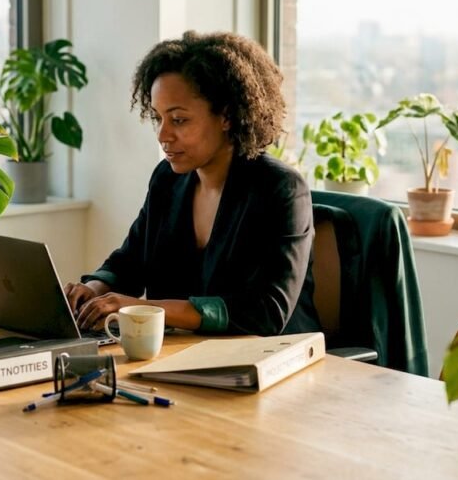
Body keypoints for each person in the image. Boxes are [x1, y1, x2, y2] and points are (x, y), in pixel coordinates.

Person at [65, 31, 320, 336]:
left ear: (226, 116)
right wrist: (93, 290)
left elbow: (265, 312)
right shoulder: (168, 179)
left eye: (179, 120)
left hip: (268, 363)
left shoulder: (280, 189)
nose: (163, 135)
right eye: (158, 118)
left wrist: (143, 310)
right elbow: (130, 261)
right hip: (184, 357)